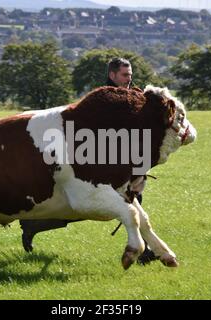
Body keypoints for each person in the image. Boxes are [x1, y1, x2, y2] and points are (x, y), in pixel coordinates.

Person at [19, 57, 157, 264]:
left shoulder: (133, 96)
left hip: (123, 163)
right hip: (98, 162)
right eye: (124, 75)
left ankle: (146, 251)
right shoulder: (102, 100)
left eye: (130, 75)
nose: (129, 79)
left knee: (117, 203)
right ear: (112, 75)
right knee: (86, 204)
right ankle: (35, 225)